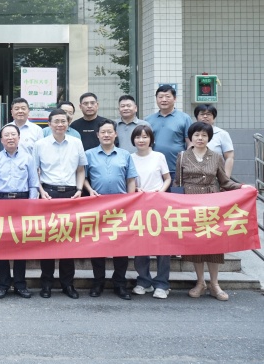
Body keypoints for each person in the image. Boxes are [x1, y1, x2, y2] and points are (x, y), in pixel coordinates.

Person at [177, 122, 246, 302]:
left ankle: (215, 284)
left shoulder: (216, 157)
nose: (200, 138)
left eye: (204, 135)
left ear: (209, 138)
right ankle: (200, 282)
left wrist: (242, 187)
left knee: (214, 243)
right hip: (191, 205)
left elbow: (225, 181)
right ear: (190, 137)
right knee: (196, 244)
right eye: (196, 135)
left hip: (212, 204)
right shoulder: (182, 156)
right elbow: (178, 184)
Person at [84, 119, 137, 300]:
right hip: (97, 207)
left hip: (120, 208)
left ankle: (119, 284)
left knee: (121, 247)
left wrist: (130, 201)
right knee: (97, 246)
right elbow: (83, 177)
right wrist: (89, 190)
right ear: (97, 135)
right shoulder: (89, 154)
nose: (106, 135)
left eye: (109, 132)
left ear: (115, 134)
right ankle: (98, 282)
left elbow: (131, 179)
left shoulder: (125, 155)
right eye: (103, 132)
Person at [35, 109, 86, 299]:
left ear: (68, 123)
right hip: (48, 194)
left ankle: (67, 284)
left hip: (71, 194)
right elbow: (35, 171)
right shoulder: (40, 144)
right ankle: (46, 284)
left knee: (68, 240)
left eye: (63, 121)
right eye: (56, 121)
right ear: (49, 124)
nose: (60, 124)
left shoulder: (76, 142)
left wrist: (79, 189)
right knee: (47, 240)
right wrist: (41, 191)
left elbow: (80, 169)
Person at [0, 123, 39, 299]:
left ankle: (20, 284)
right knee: (2, 246)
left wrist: (31, 206)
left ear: (19, 138)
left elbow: (34, 184)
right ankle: (3, 284)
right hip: (1, 203)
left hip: (22, 202)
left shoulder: (28, 158)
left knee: (20, 245)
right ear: (1, 140)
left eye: (13, 135)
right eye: (6, 135)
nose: (10, 138)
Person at [129, 125, 172, 299]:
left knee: (163, 245)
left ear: (151, 139)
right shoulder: (130, 157)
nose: (141, 140)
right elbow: (129, 180)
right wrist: (135, 190)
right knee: (141, 245)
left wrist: (160, 192)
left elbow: (167, 178)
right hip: (139, 205)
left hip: (158, 205)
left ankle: (162, 284)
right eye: (138, 137)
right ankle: (144, 281)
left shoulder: (159, 156)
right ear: (133, 140)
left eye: (145, 137)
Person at [145, 85, 192, 180]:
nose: (164, 100)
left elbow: (190, 143)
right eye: (160, 97)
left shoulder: (184, 118)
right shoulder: (148, 120)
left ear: (175, 99)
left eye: (167, 96)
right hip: (154, 168)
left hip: (176, 168)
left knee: (176, 190)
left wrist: (187, 162)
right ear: (156, 99)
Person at [194, 104, 235, 177]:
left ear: (214, 118)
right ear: (197, 117)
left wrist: (225, 177)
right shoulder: (191, 133)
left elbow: (229, 157)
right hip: (194, 176)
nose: (205, 116)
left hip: (216, 176)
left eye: (208, 114)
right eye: (202, 114)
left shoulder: (222, 134)